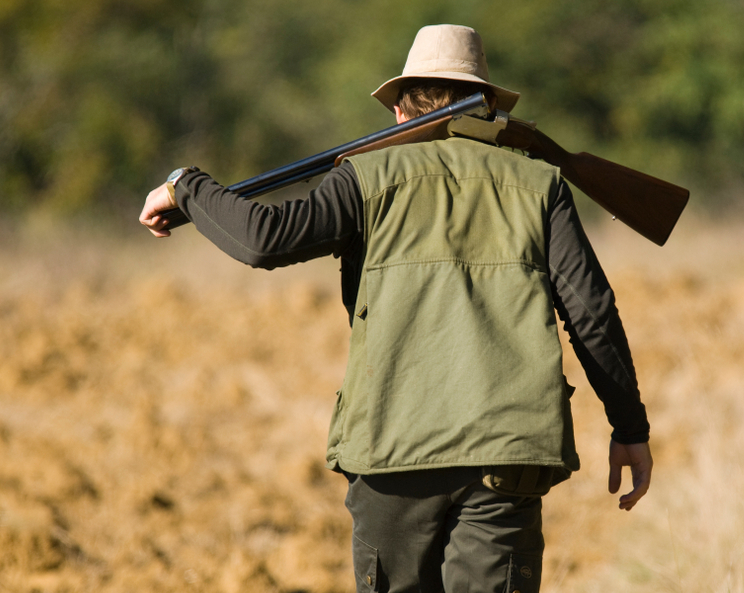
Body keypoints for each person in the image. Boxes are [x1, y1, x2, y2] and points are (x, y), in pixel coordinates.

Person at [140, 24, 652, 593]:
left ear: (402, 110)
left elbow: (263, 238)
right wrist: (629, 426)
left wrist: (185, 184)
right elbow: (592, 313)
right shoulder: (541, 186)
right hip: (505, 460)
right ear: (486, 106)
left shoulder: (365, 177)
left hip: (391, 451)